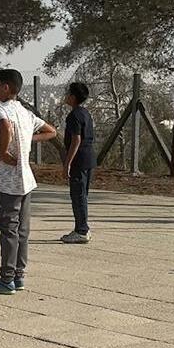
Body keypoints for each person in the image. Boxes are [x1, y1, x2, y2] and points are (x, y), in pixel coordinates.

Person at [0, 69, 56, 294]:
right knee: (22, 230)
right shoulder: (25, 112)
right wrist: (26, 140)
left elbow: (4, 126)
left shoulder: (0, 109)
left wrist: (4, 151)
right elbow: (51, 131)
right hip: (26, 179)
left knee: (8, 229)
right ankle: (19, 275)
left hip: (7, 180)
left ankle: (6, 279)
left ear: (5, 87)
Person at [61, 82, 96, 244]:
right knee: (82, 195)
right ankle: (81, 227)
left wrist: (68, 162)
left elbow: (76, 139)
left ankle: (82, 230)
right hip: (89, 158)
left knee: (78, 195)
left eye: (68, 93)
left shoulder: (74, 116)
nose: (66, 95)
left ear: (73, 97)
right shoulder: (85, 113)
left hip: (79, 159)